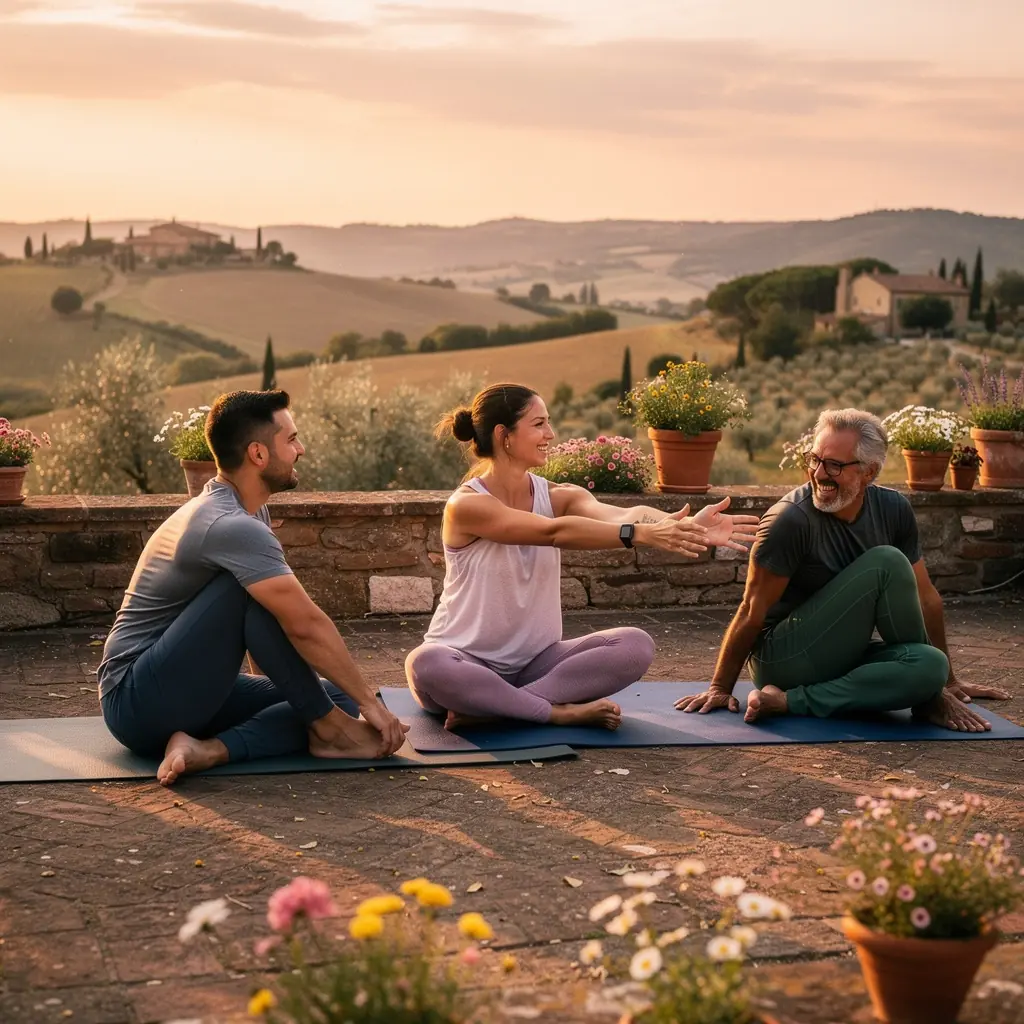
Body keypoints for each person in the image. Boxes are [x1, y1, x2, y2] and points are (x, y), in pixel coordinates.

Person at [405, 383, 761, 732]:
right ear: (504, 435)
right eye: (539, 424)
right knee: (425, 662)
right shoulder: (467, 505)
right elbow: (552, 532)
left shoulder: (560, 494)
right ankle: (553, 712)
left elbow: (618, 514)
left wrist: (678, 525)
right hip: (463, 661)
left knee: (635, 645)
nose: (551, 433)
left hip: (536, 665)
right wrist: (638, 534)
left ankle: (500, 708)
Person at [98, 390, 408, 786]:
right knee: (335, 700)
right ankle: (330, 733)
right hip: (137, 702)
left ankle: (207, 750)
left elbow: (267, 627)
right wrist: (373, 706)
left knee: (335, 700)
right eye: (292, 439)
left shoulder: (245, 508)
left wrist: (335, 698)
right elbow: (304, 624)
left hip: (190, 688)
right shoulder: (229, 525)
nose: (302, 448)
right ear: (259, 454)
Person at [675, 408, 1009, 730]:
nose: (819, 473)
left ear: (870, 472)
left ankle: (788, 702)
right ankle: (921, 698)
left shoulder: (894, 509)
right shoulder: (791, 520)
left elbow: (926, 598)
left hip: (842, 655)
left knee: (931, 665)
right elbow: (751, 608)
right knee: (888, 562)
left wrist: (947, 682)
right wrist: (720, 686)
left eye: (834, 465)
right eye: (815, 460)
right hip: (782, 658)